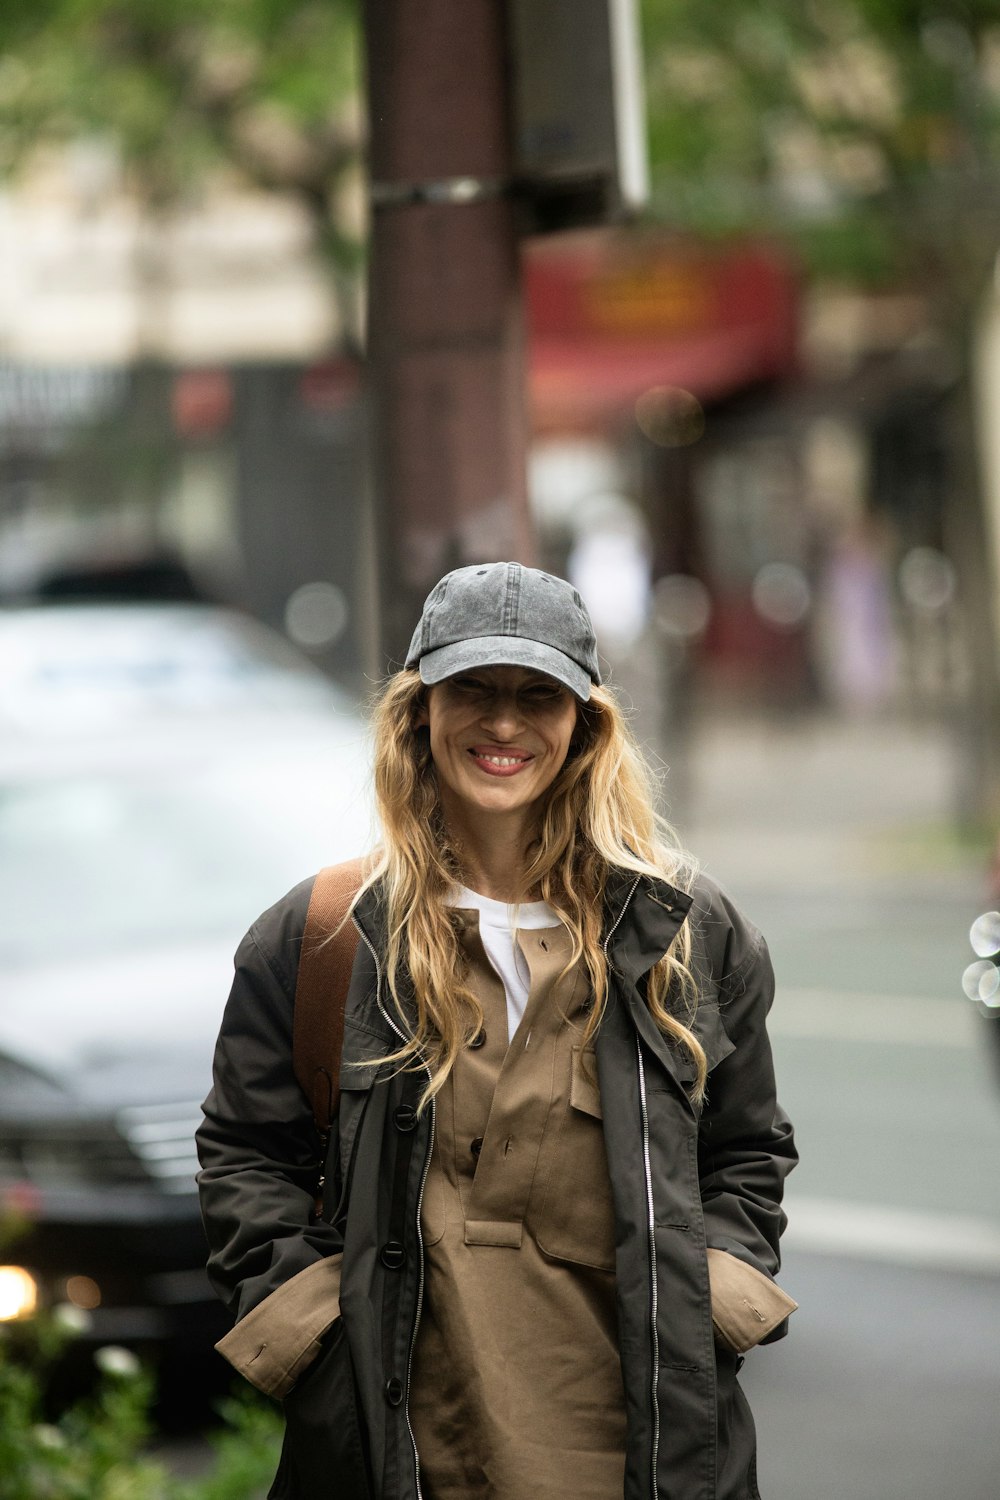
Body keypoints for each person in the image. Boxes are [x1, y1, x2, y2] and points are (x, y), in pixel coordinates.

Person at [196, 560, 798, 1500]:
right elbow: (246, 1153)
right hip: (406, 1459)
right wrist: (315, 1336)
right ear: (418, 712)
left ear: (586, 725)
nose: (506, 724)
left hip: (642, 1459)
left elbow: (748, 1150)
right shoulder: (321, 937)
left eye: (539, 695)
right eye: (473, 689)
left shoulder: (687, 934)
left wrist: (707, 1307)